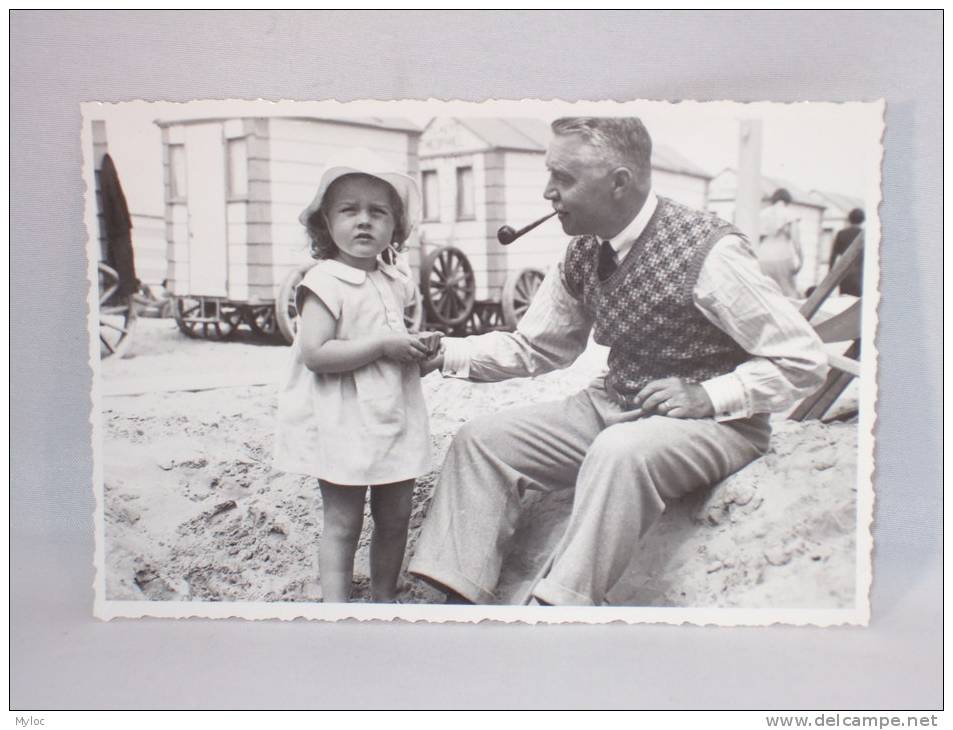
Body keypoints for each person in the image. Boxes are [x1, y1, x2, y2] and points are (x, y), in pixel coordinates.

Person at [409, 117, 828, 607]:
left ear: (619, 182)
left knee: (619, 450)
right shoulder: (583, 251)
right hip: (616, 405)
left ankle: (563, 604)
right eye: (550, 174)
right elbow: (537, 347)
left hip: (719, 423)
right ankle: (455, 593)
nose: (548, 192)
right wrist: (443, 352)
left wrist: (707, 395)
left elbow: (804, 360)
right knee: (481, 441)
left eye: (563, 178)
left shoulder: (708, 251)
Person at [273, 149, 439, 603]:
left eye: (378, 212)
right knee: (343, 521)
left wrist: (415, 346)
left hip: (391, 413)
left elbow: (388, 335)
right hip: (342, 417)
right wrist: (384, 346)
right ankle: (336, 605)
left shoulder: (392, 281)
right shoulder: (324, 282)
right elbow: (316, 353)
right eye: (349, 210)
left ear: (395, 227)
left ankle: (384, 595)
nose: (363, 221)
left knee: (396, 513)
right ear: (326, 223)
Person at [756, 187, 803, 298]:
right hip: (782, 255)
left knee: (767, 294)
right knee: (788, 293)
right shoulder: (790, 214)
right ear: (787, 200)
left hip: (763, 256)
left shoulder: (763, 214)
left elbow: (759, 238)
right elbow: (796, 241)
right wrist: (801, 260)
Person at [828, 207, 865, 297]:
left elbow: (834, 255)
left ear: (849, 219)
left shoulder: (841, 234)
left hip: (844, 273)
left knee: (844, 300)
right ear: (863, 220)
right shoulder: (865, 235)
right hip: (860, 274)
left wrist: (830, 273)